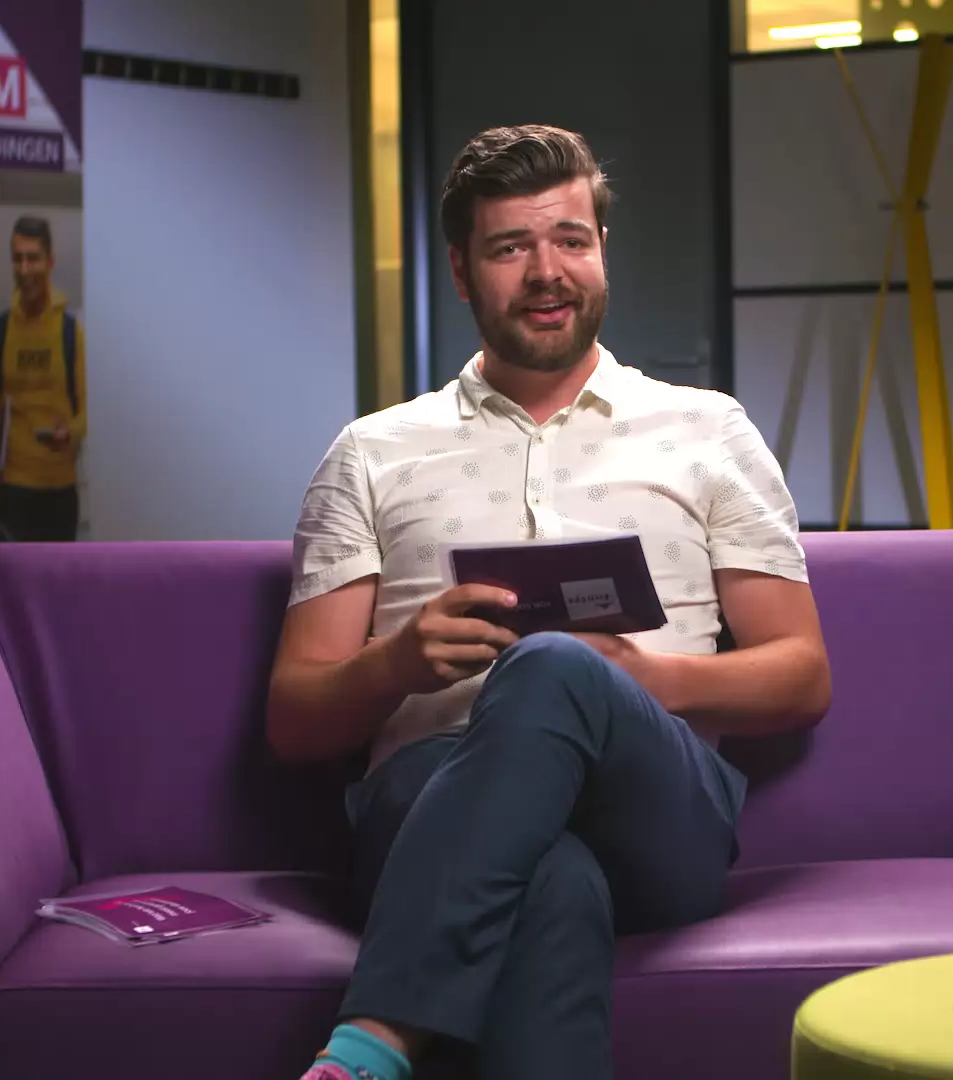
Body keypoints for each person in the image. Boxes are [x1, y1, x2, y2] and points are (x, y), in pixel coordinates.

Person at [274, 125, 832, 1080]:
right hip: (426, 797)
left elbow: (802, 674)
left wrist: (644, 678)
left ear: (601, 249)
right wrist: (398, 663)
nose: (547, 272)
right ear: (461, 271)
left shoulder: (709, 430)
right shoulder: (370, 452)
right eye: (509, 248)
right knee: (553, 882)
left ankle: (372, 1041)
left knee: (555, 666)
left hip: (653, 809)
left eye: (570, 240)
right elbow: (294, 718)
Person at [0, 215, 87, 541]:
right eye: (17, 259)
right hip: (14, 488)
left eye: (33, 258)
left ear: (50, 262)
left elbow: (86, 410)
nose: (24, 269)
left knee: (59, 575)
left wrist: (70, 433)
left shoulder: (70, 332)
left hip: (60, 488)